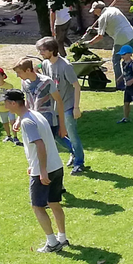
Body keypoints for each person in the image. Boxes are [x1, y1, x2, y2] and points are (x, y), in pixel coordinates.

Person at [5, 89, 69, 252]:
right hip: (56, 165)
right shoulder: (35, 115)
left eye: (6, 103)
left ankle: (52, 243)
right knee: (54, 203)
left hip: (44, 170)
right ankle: (62, 238)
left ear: (13, 103)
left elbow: (40, 145)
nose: (4, 106)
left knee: (37, 206)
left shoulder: (27, 122)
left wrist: (41, 170)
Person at [87, 0, 133, 89]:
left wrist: (89, 43)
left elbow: (100, 36)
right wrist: (94, 29)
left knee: (116, 60)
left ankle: (120, 85)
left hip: (121, 37)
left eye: (94, 11)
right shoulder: (113, 9)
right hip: (131, 34)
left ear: (98, 9)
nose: (94, 13)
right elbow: (110, 26)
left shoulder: (102, 18)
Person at [38, 36, 86, 172]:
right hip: (54, 107)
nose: (40, 53)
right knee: (55, 134)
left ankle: (79, 163)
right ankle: (73, 152)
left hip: (68, 106)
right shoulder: (45, 64)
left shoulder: (65, 66)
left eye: (43, 50)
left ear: (52, 50)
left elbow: (77, 86)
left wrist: (76, 108)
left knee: (72, 135)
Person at [12, 58, 62, 144]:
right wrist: (18, 120)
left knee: (48, 148)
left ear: (28, 70)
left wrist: (62, 126)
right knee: (37, 148)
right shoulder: (24, 82)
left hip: (48, 122)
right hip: (33, 121)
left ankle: (75, 150)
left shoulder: (46, 82)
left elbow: (59, 101)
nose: (17, 75)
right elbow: (27, 102)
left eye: (19, 72)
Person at [0, 67, 20, 143]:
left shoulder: (9, 86)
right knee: (5, 123)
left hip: (10, 108)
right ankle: (8, 136)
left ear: (3, 76)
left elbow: (12, 96)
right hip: (1, 108)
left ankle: (15, 137)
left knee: (12, 122)